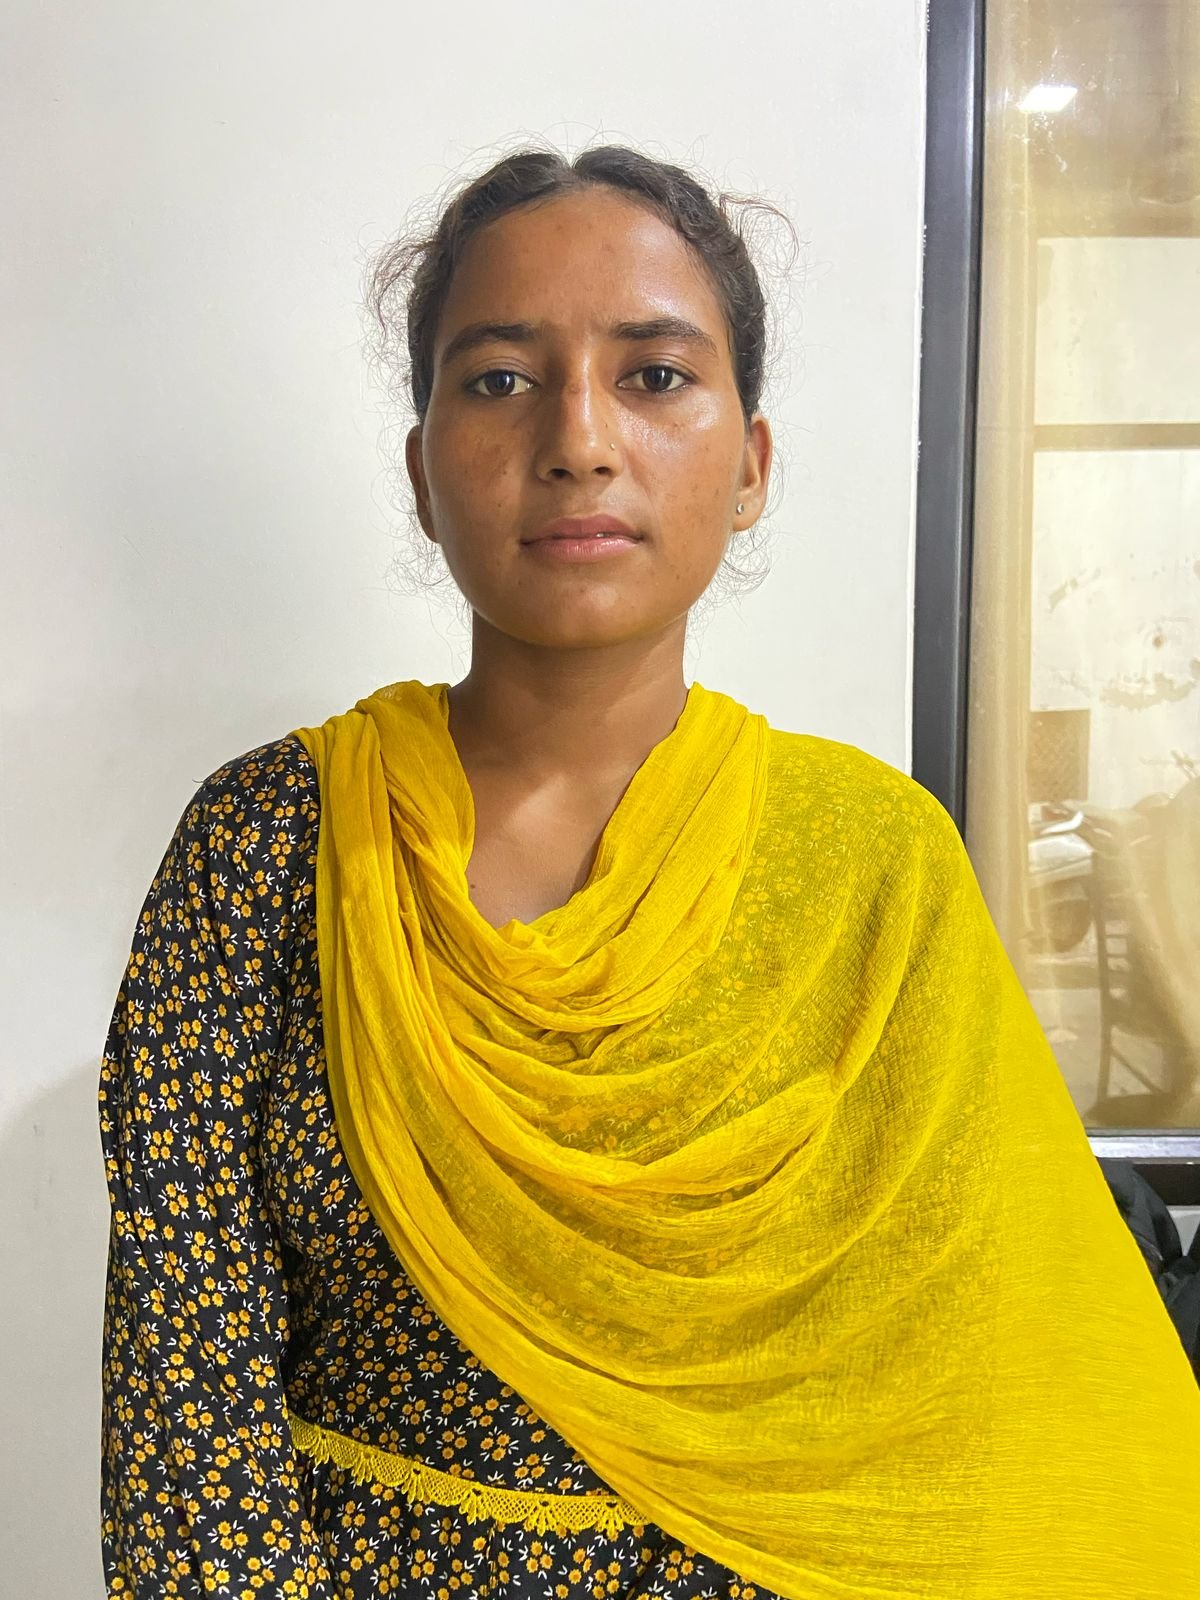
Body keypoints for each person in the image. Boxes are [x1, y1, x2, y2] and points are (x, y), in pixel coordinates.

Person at [99, 145, 1200, 1600]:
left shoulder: (872, 862)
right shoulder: (270, 845)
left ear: (749, 467)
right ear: (422, 470)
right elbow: (185, 1416)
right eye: (501, 378)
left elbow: (987, 1379)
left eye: (656, 376)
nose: (579, 439)